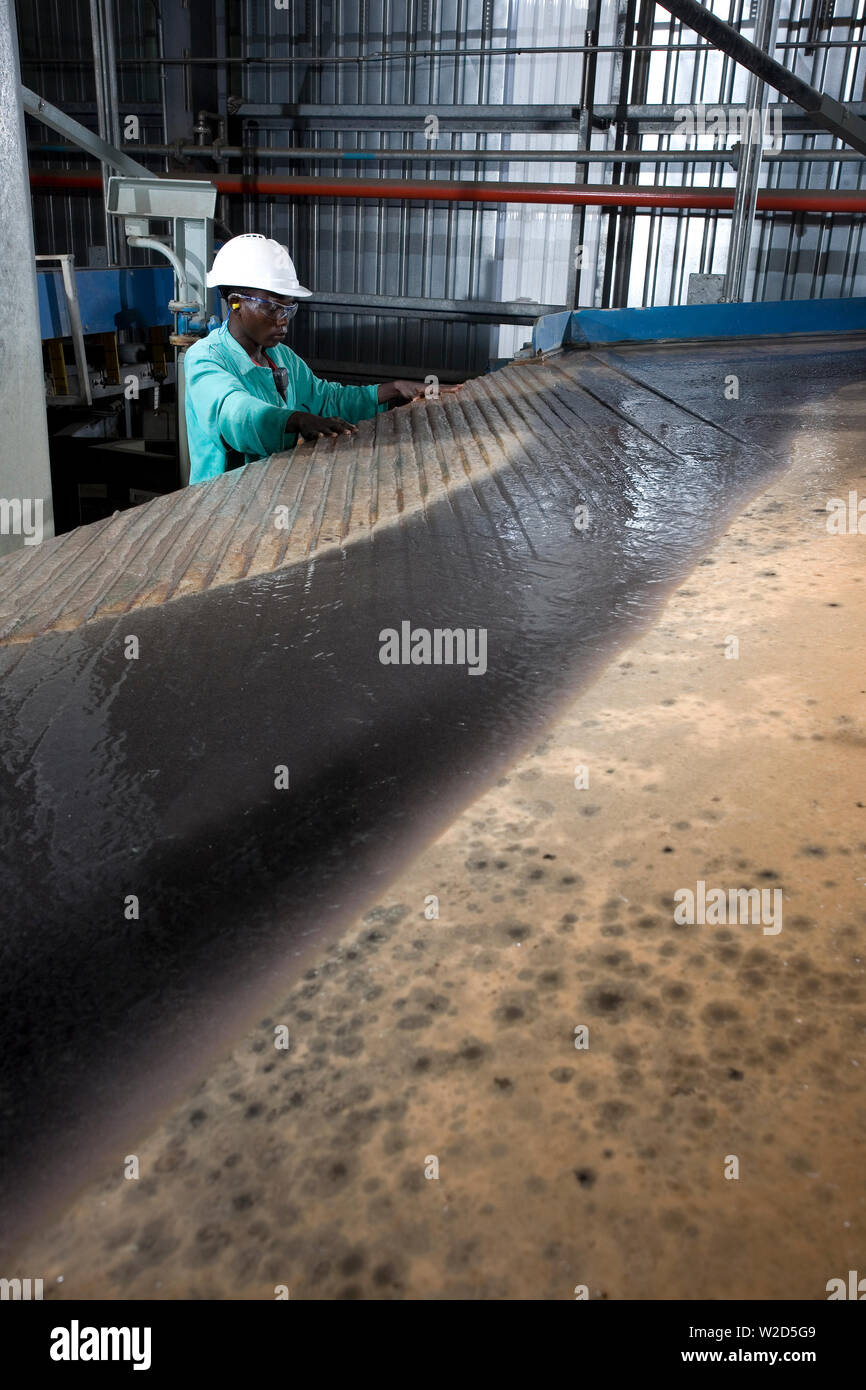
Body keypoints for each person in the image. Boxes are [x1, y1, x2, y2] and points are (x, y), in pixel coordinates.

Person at [184, 234, 456, 484]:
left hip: (270, 491)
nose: (283, 321)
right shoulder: (205, 359)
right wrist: (296, 420)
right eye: (272, 307)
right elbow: (236, 414)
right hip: (221, 506)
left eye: (288, 308)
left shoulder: (281, 358)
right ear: (235, 302)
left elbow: (325, 399)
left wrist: (393, 390)